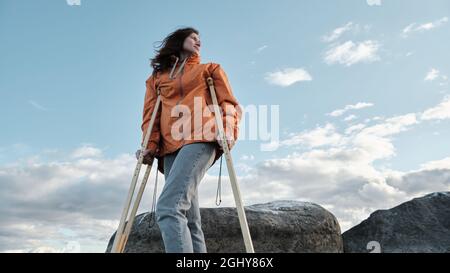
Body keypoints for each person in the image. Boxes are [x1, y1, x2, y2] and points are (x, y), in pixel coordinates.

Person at [136, 27, 242, 253]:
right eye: (193, 37)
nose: (198, 42)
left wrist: (228, 130)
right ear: (179, 39)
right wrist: (150, 146)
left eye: (200, 39)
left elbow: (228, 104)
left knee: (168, 207)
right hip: (170, 148)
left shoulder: (209, 69)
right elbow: (150, 115)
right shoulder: (157, 79)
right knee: (190, 221)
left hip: (202, 137)